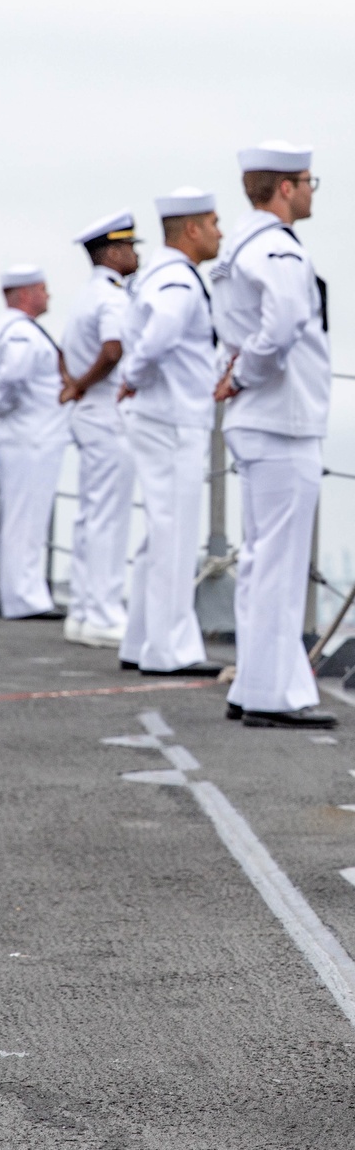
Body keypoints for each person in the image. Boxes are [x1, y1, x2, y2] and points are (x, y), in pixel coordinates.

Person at [212, 142, 335, 730]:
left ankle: (256, 682)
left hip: (260, 421)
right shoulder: (278, 250)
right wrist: (243, 374)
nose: (312, 191)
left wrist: (236, 373)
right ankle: (273, 696)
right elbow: (282, 326)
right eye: (309, 181)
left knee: (263, 562)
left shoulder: (238, 244)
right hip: (281, 420)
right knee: (279, 566)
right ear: (285, 188)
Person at [116, 189, 223, 676]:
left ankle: (141, 641)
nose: (221, 232)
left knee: (160, 534)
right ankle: (170, 651)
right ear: (193, 229)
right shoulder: (178, 278)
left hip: (163, 417)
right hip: (173, 418)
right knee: (174, 533)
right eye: (214, 223)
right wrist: (132, 378)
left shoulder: (159, 273)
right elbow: (161, 332)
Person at [60, 210, 138, 648]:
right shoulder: (112, 298)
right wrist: (81, 386)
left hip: (90, 413)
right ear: (112, 252)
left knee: (92, 516)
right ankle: (104, 614)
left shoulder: (88, 295)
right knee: (108, 517)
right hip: (106, 413)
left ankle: (85, 610)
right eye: (128, 246)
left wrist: (73, 384)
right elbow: (113, 351)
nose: (134, 254)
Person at [0, 265, 69, 620]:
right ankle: (23, 598)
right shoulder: (20, 332)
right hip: (29, 438)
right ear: (23, 294)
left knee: (30, 520)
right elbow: (12, 381)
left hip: (34, 438)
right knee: (25, 521)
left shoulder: (20, 329)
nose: (48, 295)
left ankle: (27, 593)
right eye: (42, 288)